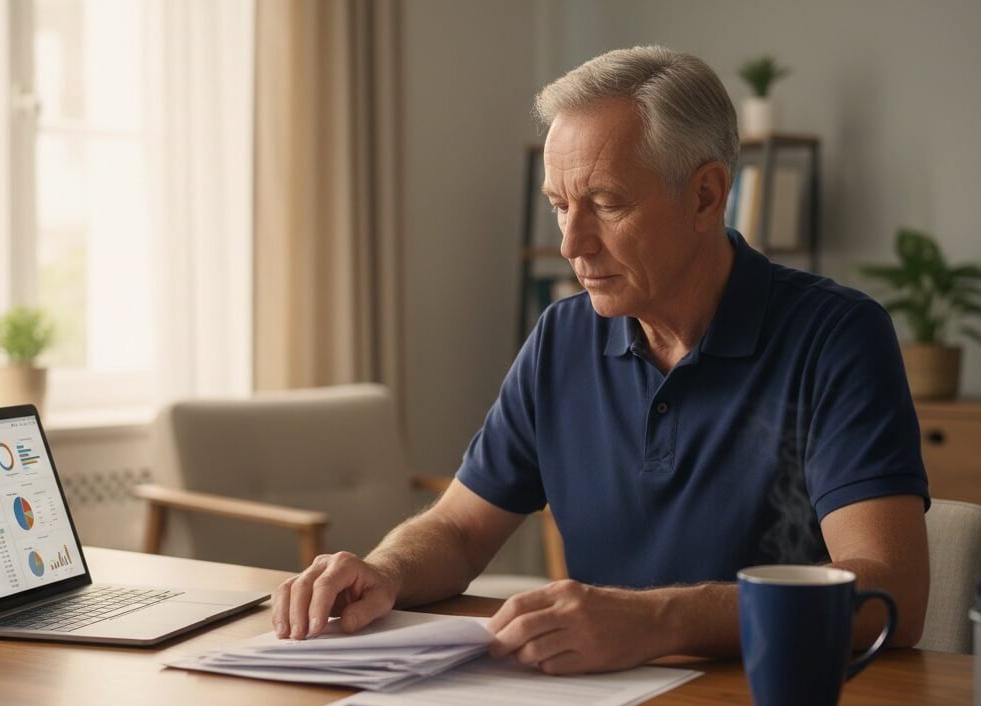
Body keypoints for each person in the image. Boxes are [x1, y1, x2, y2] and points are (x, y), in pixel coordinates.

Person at [271, 45, 930, 673]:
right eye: (560, 207)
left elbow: (889, 597)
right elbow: (461, 530)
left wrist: (656, 621)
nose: (571, 244)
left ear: (706, 195)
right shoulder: (561, 337)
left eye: (607, 205)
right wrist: (388, 570)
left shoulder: (837, 337)